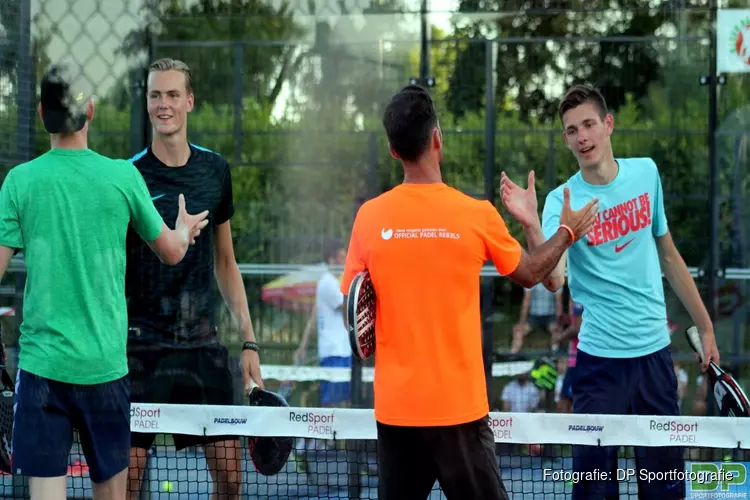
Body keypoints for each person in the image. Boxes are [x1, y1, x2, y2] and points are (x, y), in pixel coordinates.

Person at [339, 84, 599, 500]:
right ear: (437, 139)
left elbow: (352, 303)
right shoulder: (476, 214)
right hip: (458, 412)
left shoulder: (369, 219)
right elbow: (532, 273)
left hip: (396, 412)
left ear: (392, 150)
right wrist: (567, 232)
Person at [500, 83, 719, 499]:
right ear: (565, 140)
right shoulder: (560, 200)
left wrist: (705, 328)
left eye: (588, 125)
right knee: (594, 490)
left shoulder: (646, 174)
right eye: (570, 130)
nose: (581, 137)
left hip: (655, 359)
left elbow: (669, 257)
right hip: (598, 366)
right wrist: (533, 224)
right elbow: (554, 279)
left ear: (608, 125)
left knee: (664, 490)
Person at [0, 62, 208, 500]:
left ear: (41, 113)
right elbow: (171, 251)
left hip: (42, 370)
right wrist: (185, 231)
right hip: (105, 369)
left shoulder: (19, 182)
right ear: (90, 109)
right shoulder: (122, 176)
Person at [125, 58, 264, 500]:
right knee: (123, 482)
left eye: (171, 95)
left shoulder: (215, 171)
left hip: (200, 343)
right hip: (137, 348)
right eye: (154, 95)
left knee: (230, 479)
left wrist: (249, 341)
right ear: (146, 103)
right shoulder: (126, 176)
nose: (162, 104)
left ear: (189, 101)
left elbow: (226, 262)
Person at [295, 242, 351, 408]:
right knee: (333, 403)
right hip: (335, 352)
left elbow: (313, 319)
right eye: (342, 258)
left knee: (344, 401)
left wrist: (303, 347)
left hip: (339, 351)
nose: (345, 262)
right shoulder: (328, 283)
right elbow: (349, 309)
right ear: (331, 260)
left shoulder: (328, 284)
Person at [511, 282, 563, 352]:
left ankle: (554, 355)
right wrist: (522, 322)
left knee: (556, 332)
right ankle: (513, 354)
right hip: (534, 316)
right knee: (518, 332)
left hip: (550, 316)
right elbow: (526, 301)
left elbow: (558, 302)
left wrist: (558, 322)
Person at [554, 299, 582, 413]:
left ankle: (565, 430)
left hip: (577, 362)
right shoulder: (576, 303)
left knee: (564, 403)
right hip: (574, 360)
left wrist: (560, 336)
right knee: (566, 402)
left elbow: (577, 328)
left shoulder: (580, 303)